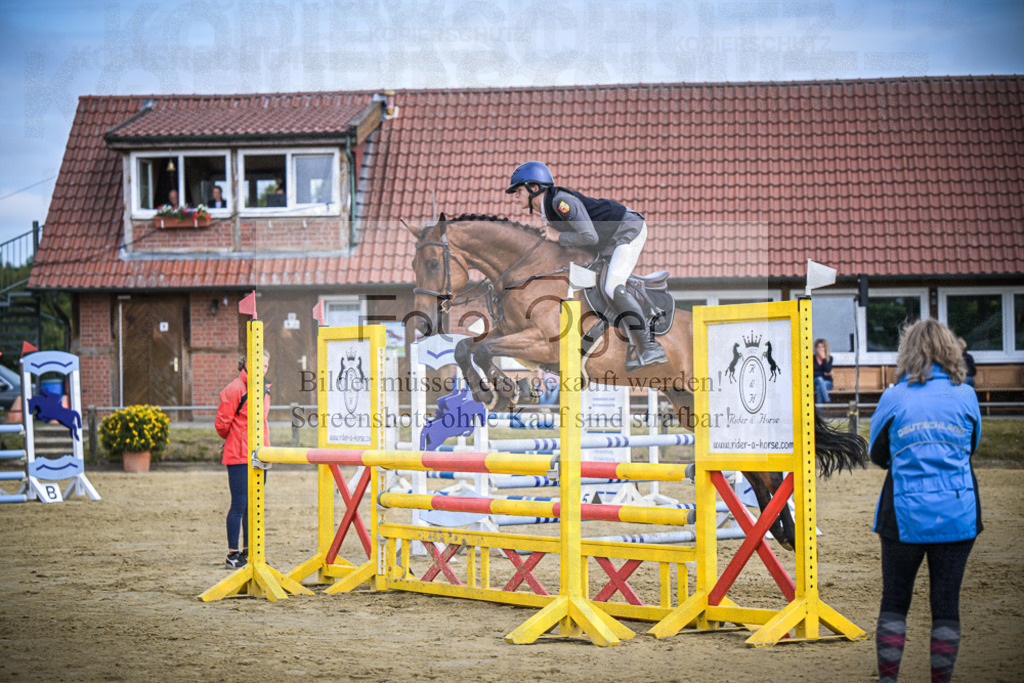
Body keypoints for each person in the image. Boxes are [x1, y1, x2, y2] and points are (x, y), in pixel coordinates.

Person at [868, 319, 982, 683]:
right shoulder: (966, 394)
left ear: (907, 351)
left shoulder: (894, 396)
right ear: (951, 349)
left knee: (895, 602)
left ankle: (889, 678)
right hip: (957, 512)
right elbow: (972, 447)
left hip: (904, 514)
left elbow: (877, 453)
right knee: (946, 605)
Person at [505, 161, 667, 371]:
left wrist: (559, 236)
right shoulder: (547, 210)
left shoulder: (561, 202)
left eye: (518, 190)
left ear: (534, 188)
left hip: (628, 230)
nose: (515, 196)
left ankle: (650, 346)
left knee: (612, 286)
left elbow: (589, 237)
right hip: (608, 241)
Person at [215, 351, 270, 569]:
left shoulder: (265, 389)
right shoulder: (235, 389)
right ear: (247, 364)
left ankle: (249, 552)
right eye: (260, 365)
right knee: (239, 504)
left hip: (261, 454)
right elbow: (221, 424)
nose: (263, 369)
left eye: (266, 366)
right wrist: (234, 440)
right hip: (239, 455)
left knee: (254, 505)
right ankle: (233, 553)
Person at [812, 338, 834, 403]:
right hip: (815, 382)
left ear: (825, 348)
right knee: (819, 379)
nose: (820, 349)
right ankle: (827, 400)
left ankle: (819, 410)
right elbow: (812, 373)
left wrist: (824, 358)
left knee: (819, 388)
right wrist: (823, 374)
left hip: (828, 384)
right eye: (818, 347)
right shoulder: (812, 359)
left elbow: (828, 370)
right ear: (816, 348)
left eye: (822, 347)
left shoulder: (829, 358)